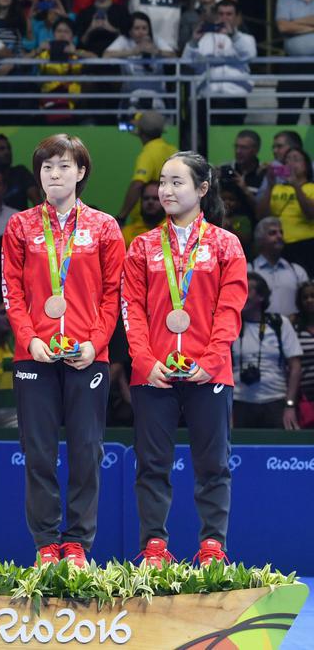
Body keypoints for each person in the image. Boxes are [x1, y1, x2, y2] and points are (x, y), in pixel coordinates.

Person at [2, 134, 124, 567]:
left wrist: (94, 343)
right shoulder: (20, 226)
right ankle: (46, 545)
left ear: (82, 172)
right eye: (47, 167)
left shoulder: (105, 227)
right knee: (37, 451)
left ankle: (77, 543)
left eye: (64, 166)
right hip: (33, 354)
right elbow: (12, 291)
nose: (55, 174)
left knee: (86, 450)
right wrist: (30, 338)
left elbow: (114, 293)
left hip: (88, 356)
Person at [122, 150, 248, 568]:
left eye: (177, 182)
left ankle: (213, 546)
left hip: (208, 373)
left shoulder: (225, 244)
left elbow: (230, 309)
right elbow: (132, 310)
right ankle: (154, 546)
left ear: (202, 189)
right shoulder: (141, 246)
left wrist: (211, 360)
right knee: (152, 466)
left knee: (213, 465)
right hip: (154, 373)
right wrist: (144, 360)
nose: (166, 190)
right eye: (162, 182)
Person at [231, 272, 303, 429]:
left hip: (275, 402)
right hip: (239, 403)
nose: (241, 295)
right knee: (239, 451)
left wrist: (290, 405)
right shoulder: (231, 325)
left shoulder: (279, 323)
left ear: (261, 296)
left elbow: (296, 367)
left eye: (247, 290)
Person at [182, 0, 256, 127]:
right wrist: (194, 42)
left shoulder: (245, 39)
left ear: (237, 17)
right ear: (216, 15)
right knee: (207, 143)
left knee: (232, 138)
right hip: (206, 96)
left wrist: (233, 36)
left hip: (235, 96)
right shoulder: (203, 39)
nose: (224, 18)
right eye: (221, 14)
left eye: (229, 14)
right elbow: (187, 62)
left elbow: (249, 55)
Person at [257, 146, 314, 276]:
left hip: (306, 245)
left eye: (296, 159)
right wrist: (270, 186)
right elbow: (261, 216)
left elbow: (311, 214)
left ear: (306, 166)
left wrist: (296, 186)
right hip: (279, 246)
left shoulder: (311, 188)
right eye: (287, 160)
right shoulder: (277, 189)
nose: (291, 163)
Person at [117, 111, 177, 231]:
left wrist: (122, 216)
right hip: (170, 220)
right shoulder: (174, 150)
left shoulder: (148, 154)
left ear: (141, 132)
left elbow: (138, 184)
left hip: (147, 225)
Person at [248, 217, 309, 317]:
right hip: (259, 330)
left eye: (281, 232)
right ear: (260, 240)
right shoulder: (249, 270)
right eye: (272, 233)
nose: (279, 236)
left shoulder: (297, 271)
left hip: (294, 329)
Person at [275, 0, 314, 125]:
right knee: (287, 116)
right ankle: (284, 146)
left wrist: (294, 22)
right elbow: (283, 27)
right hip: (292, 65)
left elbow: (288, 25)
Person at [0, 134, 40, 212]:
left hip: (20, 222)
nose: (6, 152)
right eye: (1, 149)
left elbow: (37, 202)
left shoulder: (21, 173)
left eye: (8, 148)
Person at [294, 281, 314, 427]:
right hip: (306, 396)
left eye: (313, 296)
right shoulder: (294, 326)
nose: (309, 300)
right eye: (305, 297)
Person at [122, 180, 165, 246]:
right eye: (146, 198)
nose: (150, 202)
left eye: (156, 198)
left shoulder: (175, 232)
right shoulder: (127, 232)